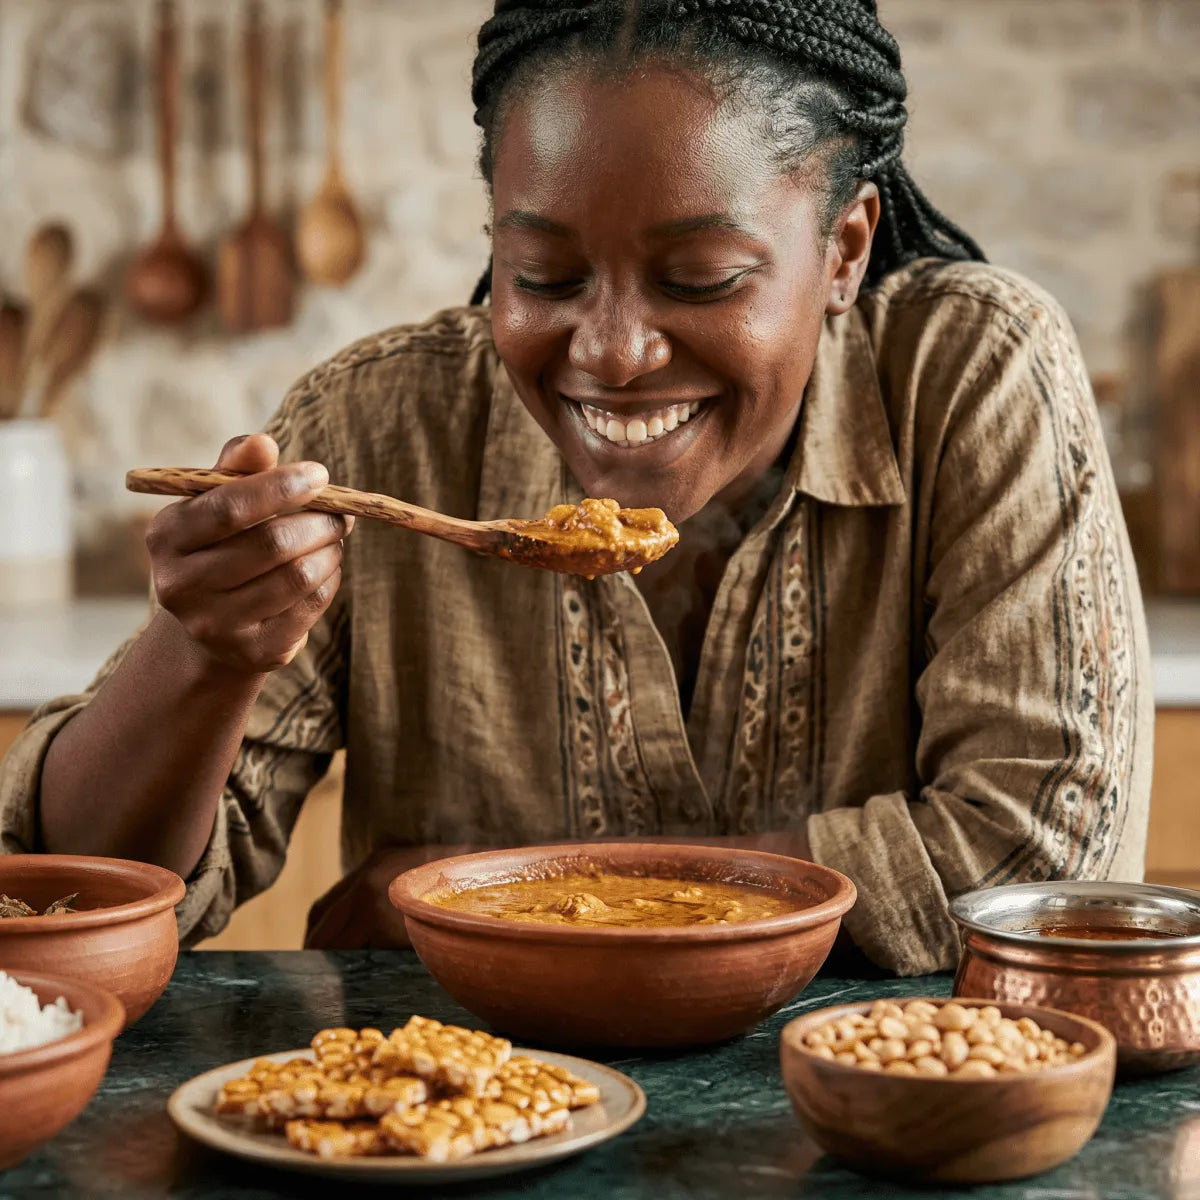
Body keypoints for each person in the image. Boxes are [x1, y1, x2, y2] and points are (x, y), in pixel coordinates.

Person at [0, 0, 1151, 975]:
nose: (609, 351)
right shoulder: (376, 426)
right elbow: (60, 899)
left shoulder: (970, 374)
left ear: (844, 249)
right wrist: (201, 654)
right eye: (540, 274)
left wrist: (498, 906)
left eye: (701, 278)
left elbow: (1049, 861)